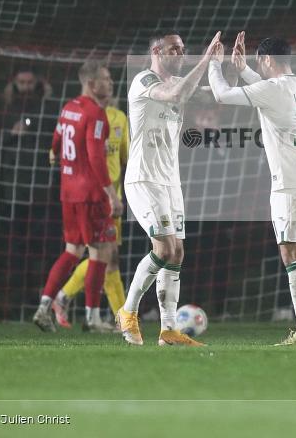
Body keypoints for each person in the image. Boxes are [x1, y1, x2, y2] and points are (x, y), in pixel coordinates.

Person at [208, 32, 296, 346]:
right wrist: (245, 69)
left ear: (266, 59)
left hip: (292, 183)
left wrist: (214, 64)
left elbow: (222, 94)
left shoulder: (273, 89)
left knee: (292, 253)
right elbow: (268, 90)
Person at [116, 32, 221, 347]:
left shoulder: (180, 82)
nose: (180, 53)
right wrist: (205, 59)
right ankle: (128, 311)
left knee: (176, 253)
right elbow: (175, 93)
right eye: (174, 48)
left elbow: (215, 94)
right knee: (163, 249)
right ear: (156, 51)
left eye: (183, 49)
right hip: (144, 178)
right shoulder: (144, 81)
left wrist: (224, 67)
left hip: (170, 181)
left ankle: (169, 330)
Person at [31, 61, 123, 333]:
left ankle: (43, 307)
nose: (110, 83)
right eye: (105, 78)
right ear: (92, 84)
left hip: (69, 193)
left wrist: (57, 156)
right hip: (91, 195)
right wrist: (111, 194)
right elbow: (96, 157)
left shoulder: (69, 108)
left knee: (73, 250)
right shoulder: (96, 114)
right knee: (101, 251)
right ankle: (92, 317)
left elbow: (56, 141)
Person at [52, 98, 129, 330]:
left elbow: (126, 157)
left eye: (109, 84)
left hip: (112, 197)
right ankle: (123, 320)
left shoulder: (119, 118)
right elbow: (58, 151)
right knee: (103, 256)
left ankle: (64, 297)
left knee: (108, 257)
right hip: (90, 198)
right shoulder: (82, 116)